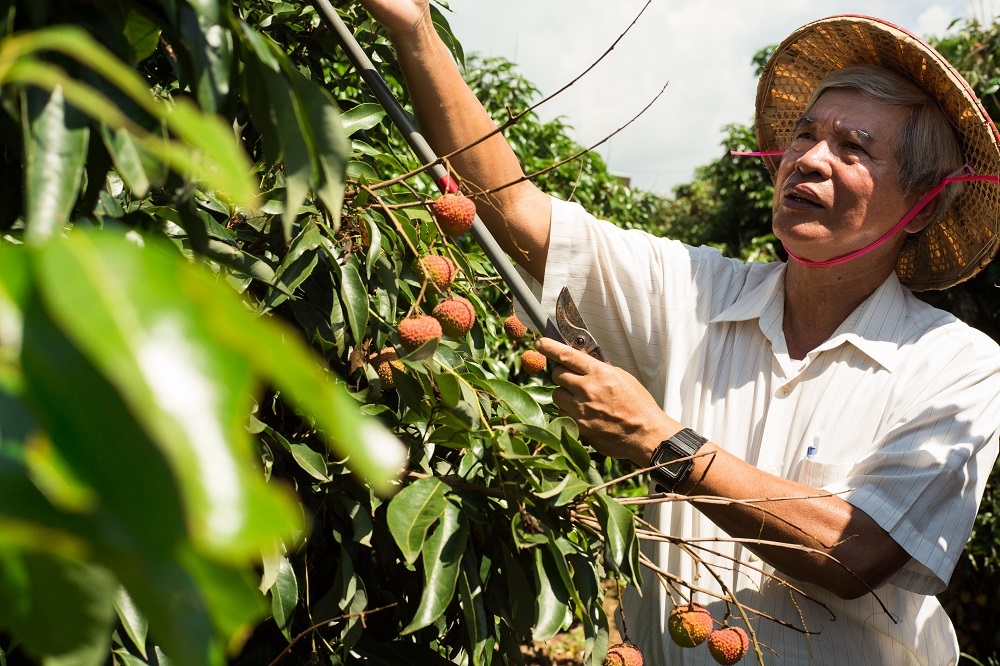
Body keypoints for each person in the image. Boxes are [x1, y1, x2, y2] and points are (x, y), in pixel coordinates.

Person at [358, 4, 1000, 664]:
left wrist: (662, 442)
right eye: (805, 137)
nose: (809, 160)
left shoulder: (958, 365)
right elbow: (514, 212)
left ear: (923, 202)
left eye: (853, 148)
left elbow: (854, 550)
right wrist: (415, 31)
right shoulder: (698, 292)